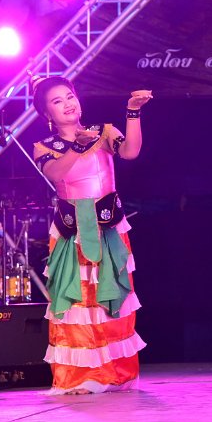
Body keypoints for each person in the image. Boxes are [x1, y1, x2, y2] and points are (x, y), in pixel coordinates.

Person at [32, 75, 151, 394]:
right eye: (57, 101)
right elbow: (56, 173)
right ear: (47, 113)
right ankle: (82, 377)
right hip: (72, 232)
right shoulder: (45, 147)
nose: (67, 104)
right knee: (77, 302)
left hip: (108, 226)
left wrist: (133, 112)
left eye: (69, 96)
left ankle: (114, 373)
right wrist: (77, 147)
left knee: (111, 298)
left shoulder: (104, 132)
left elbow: (130, 152)